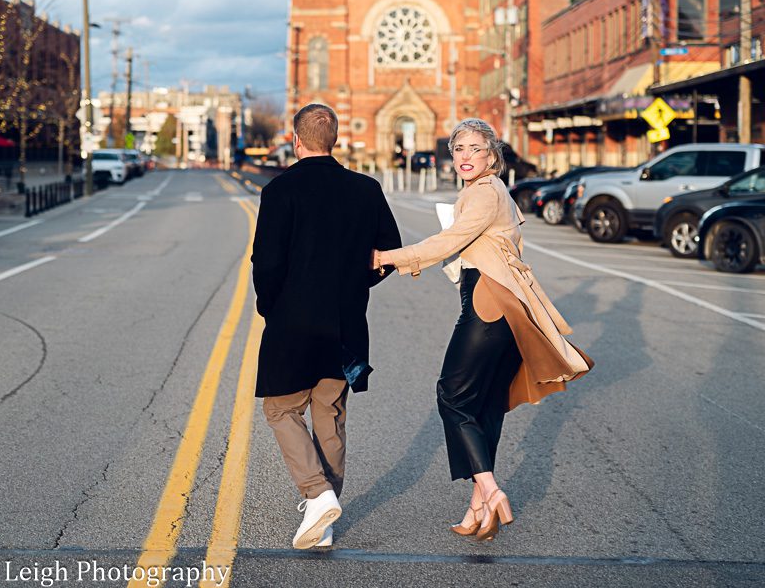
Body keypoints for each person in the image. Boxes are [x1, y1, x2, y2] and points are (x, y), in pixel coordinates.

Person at [373, 118, 593, 541]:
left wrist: (389, 257)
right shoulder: (491, 192)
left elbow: (447, 241)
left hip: (489, 304)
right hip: (506, 306)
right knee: (485, 405)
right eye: (459, 149)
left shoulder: (485, 194)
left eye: (475, 149)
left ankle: (490, 490)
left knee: (451, 395)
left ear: (492, 155)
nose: (466, 157)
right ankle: (478, 506)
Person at [252, 103, 402, 549]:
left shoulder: (279, 192)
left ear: (296, 140)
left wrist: (270, 307)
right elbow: (388, 253)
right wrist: (358, 284)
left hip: (293, 324)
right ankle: (325, 515)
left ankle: (317, 496)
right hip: (345, 323)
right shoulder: (366, 189)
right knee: (329, 416)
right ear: (333, 139)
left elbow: (267, 263)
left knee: (280, 410)